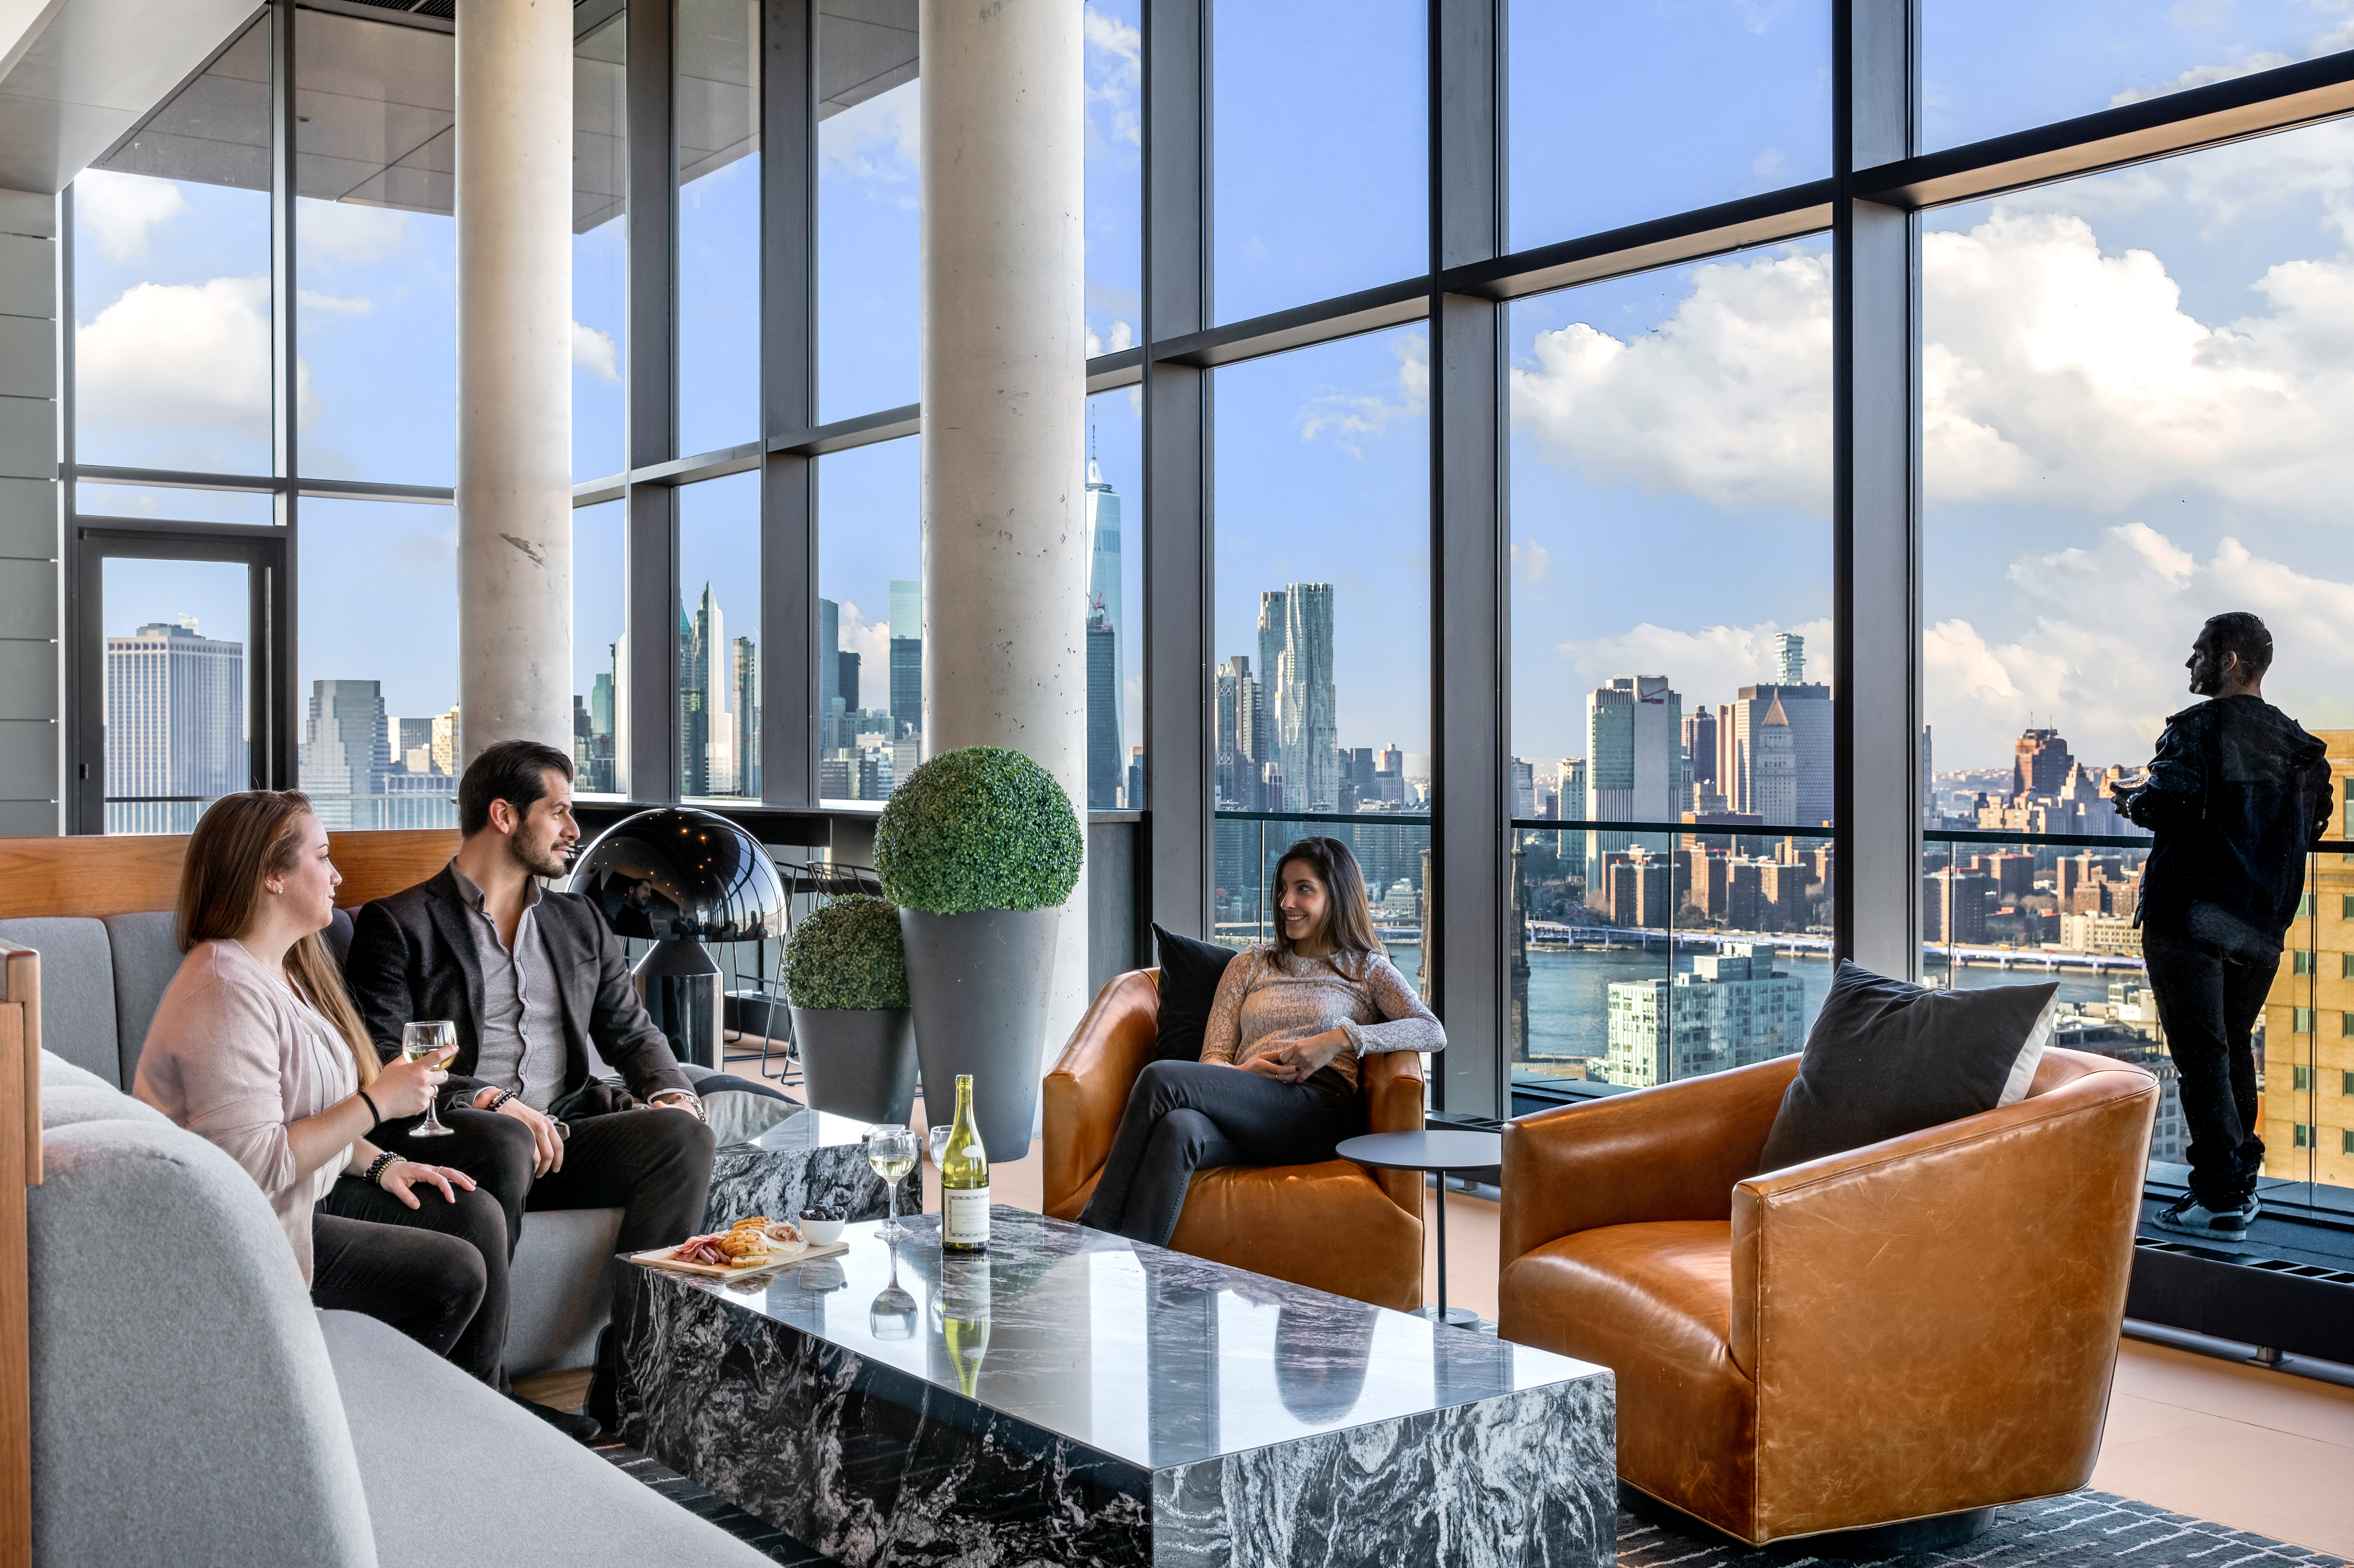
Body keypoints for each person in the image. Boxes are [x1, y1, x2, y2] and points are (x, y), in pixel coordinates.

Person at [343, 739, 716, 1434]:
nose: (576, 831)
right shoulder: (398, 926)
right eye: (561, 812)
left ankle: (630, 1390)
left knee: (683, 1139)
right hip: (467, 1138)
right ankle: (490, 1400)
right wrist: (487, 1098)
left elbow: (631, 1034)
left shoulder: (580, 922)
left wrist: (670, 1090)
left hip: (566, 1136)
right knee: (508, 1136)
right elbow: (385, 1061)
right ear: (504, 817)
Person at [132, 791, 508, 1387]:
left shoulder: (284, 971)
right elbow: (254, 1162)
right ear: (271, 876)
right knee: (453, 1272)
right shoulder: (224, 991)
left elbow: (302, 1118)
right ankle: (356, 1426)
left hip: (307, 1192)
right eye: (323, 857)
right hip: (241, 1228)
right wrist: (378, 1102)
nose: (338, 875)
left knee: (474, 1213)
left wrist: (384, 1162)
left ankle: (492, 1411)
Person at [1078, 836, 1444, 1248]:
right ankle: (1166, 1301)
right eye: (1282, 888)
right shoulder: (1249, 964)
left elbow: (1431, 1030)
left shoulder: (1366, 968)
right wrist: (1240, 1073)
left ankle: (1090, 1235)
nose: (1287, 901)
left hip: (1315, 1111)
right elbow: (1212, 1058)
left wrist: (1339, 1039)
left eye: (1304, 889)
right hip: (1243, 1106)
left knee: (1159, 1078)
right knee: (1178, 1129)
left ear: (1337, 896)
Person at [2118, 612, 2334, 1243]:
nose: (2190, 666)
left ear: (2232, 661)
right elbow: (2310, 825)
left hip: (2188, 915)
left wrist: (2130, 798)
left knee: (2202, 1058)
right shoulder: (2300, 748)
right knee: (2233, 1047)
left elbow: (2167, 805)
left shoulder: (2196, 730)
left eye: (2198, 654)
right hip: (2260, 921)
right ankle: (2238, 1184)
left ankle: (2215, 1197)